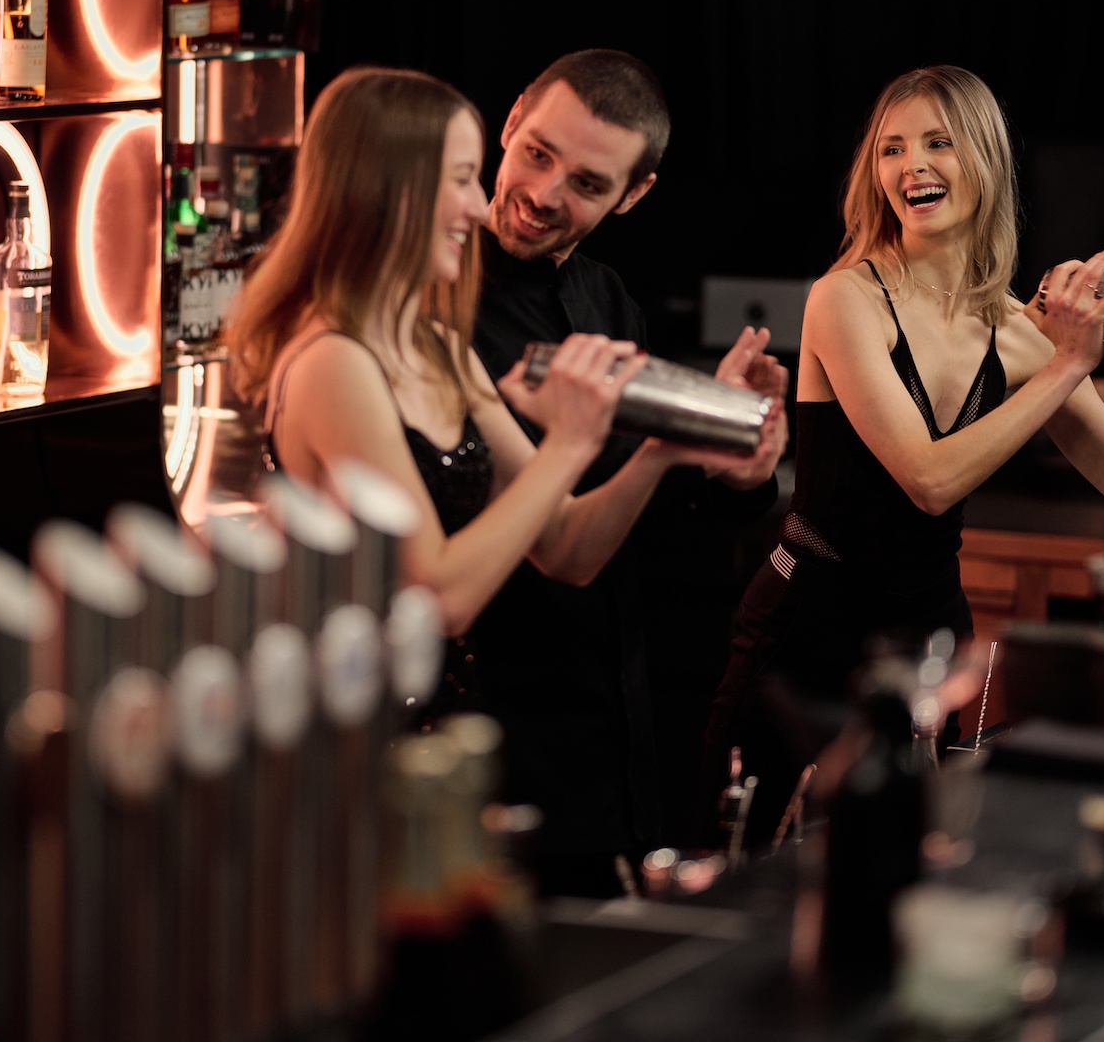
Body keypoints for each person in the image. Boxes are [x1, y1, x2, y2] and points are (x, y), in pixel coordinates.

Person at [705, 64, 1104, 836]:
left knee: (910, 884)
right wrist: (1068, 363)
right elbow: (927, 482)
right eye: (892, 149)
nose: (913, 166)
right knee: (765, 887)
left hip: (933, 640)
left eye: (939, 142)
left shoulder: (1020, 333)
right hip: (810, 631)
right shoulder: (846, 298)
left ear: (985, 163)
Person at [225, 65, 765, 719]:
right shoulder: (333, 360)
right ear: (384, 187)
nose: (480, 206)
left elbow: (565, 545)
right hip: (379, 734)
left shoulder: (436, 343)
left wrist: (665, 445)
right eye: (459, 180)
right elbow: (439, 599)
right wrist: (570, 442)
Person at [470, 50, 790, 896]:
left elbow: (656, 525)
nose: (542, 194)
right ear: (509, 122)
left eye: (585, 182)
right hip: (493, 731)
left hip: (616, 726)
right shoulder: (433, 300)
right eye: (535, 153)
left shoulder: (609, 300)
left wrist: (733, 466)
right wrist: (668, 447)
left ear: (634, 193)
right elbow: (558, 547)